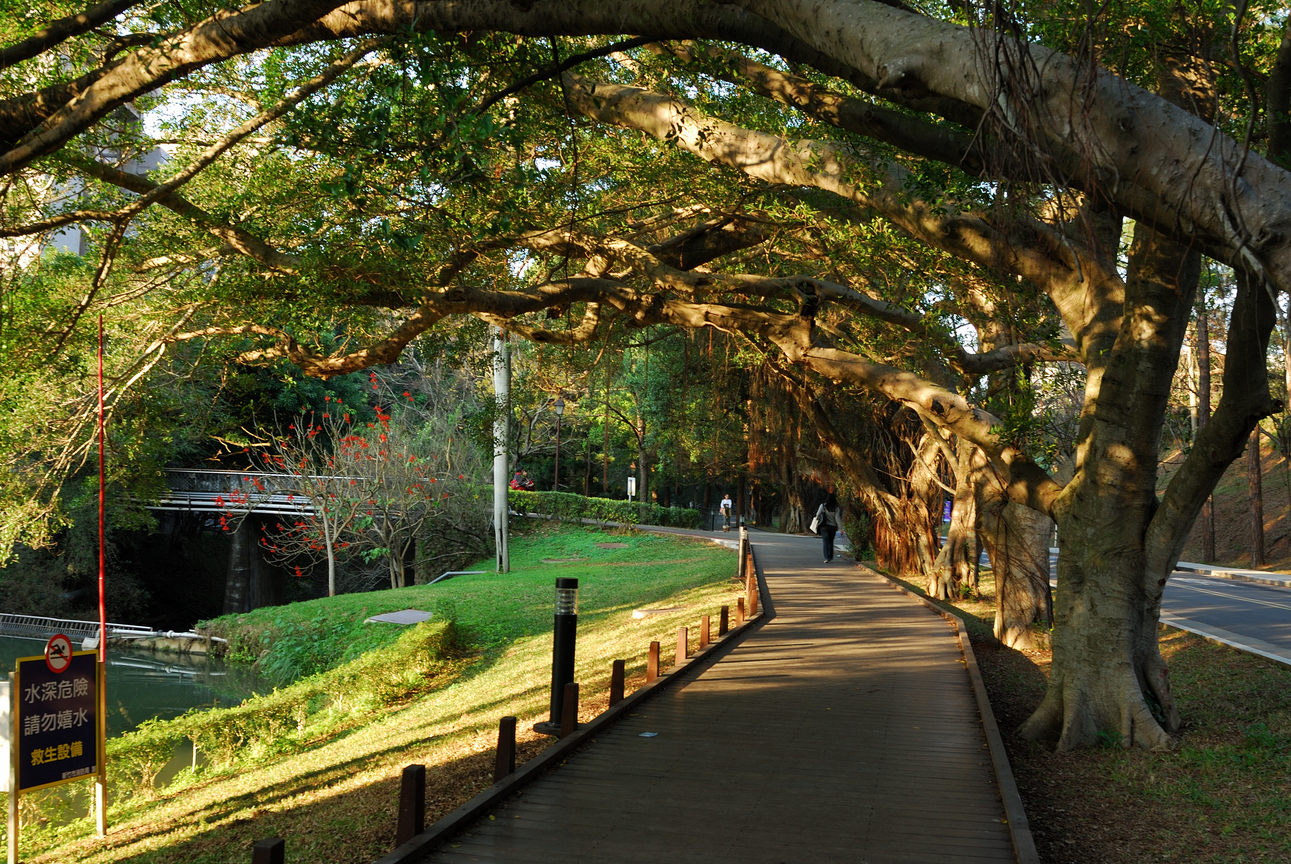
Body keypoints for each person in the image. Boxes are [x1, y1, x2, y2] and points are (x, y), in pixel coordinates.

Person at [815, 494, 842, 562]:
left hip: (824, 527)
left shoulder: (823, 506)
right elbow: (837, 519)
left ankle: (826, 558)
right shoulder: (836, 509)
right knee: (830, 542)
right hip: (833, 527)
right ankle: (830, 556)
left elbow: (817, 514)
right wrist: (840, 528)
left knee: (825, 542)